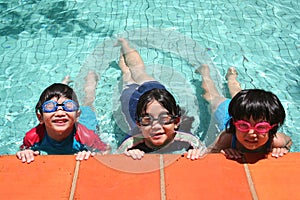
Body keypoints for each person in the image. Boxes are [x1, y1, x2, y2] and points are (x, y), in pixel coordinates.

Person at [116, 38, 207, 160]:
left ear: (176, 122)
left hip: (155, 96)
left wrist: (198, 153)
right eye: (147, 120)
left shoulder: (188, 140)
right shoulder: (132, 143)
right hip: (133, 100)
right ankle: (124, 46)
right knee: (129, 74)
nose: (156, 126)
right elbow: (116, 157)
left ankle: (125, 47)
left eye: (164, 119)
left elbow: (206, 152)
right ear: (139, 125)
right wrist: (128, 154)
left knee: (137, 71)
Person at [197, 64, 292, 160]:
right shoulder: (227, 137)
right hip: (224, 111)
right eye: (244, 125)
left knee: (238, 96)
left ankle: (231, 78)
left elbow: (288, 141)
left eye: (261, 127)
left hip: (244, 114)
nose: (251, 133)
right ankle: (205, 72)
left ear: (272, 128)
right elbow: (209, 153)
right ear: (234, 125)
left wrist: (284, 149)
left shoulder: (275, 141)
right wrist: (223, 151)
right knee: (211, 95)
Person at [16, 72, 110, 163]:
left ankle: (91, 81)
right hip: (71, 116)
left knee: (88, 102)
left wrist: (92, 155)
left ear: (77, 115)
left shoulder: (87, 137)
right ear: (40, 118)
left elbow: (106, 150)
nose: (60, 112)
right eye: (50, 107)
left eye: (68, 106)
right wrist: (26, 153)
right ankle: (64, 84)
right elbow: (24, 149)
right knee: (59, 95)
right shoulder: (32, 137)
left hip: (88, 121)